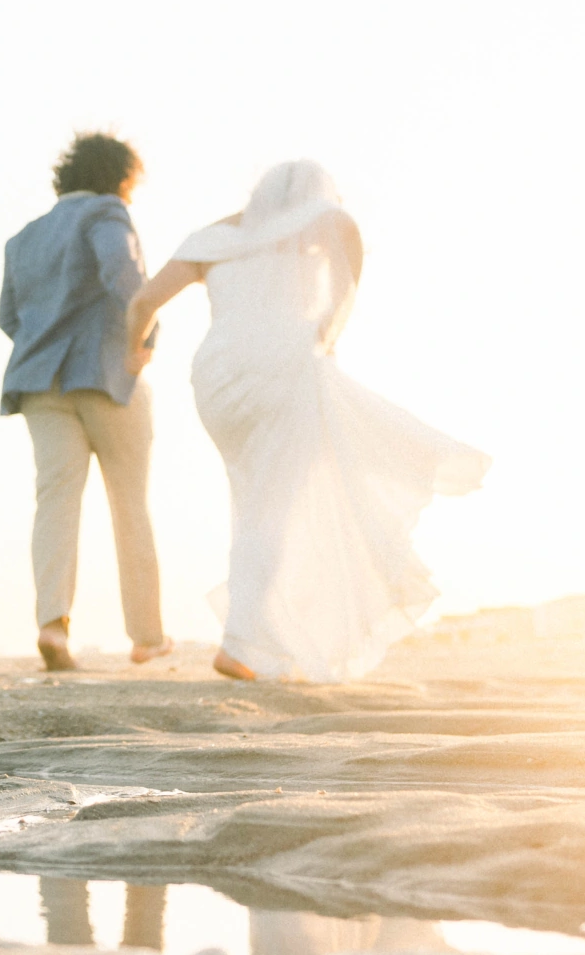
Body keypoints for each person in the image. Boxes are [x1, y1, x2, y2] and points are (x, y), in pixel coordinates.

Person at [125, 161, 487, 682]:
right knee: (273, 505)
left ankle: (262, 638)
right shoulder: (328, 227)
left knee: (254, 497)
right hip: (284, 370)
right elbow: (345, 285)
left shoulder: (211, 239)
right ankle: (240, 642)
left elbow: (143, 301)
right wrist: (322, 337)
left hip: (218, 379)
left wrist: (133, 351)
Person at [0, 132, 174, 671]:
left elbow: (9, 318)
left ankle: (53, 626)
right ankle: (146, 637)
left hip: (37, 382)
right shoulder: (107, 213)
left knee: (54, 502)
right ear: (121, 178)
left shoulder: (24, 237)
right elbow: (126, 277)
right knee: (129, 504)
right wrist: (143, 339)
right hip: (103, 374)